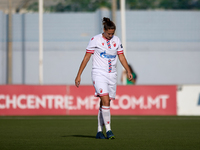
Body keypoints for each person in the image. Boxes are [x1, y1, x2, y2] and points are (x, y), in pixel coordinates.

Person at [75, 17, 133, 139]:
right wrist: (79, 74)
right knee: (106, 101)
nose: (110, 36)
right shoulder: (95, 40)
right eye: (108, 33)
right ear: (104, 30)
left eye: (112, 33)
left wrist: (128, 70)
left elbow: (121, 57)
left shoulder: (116, 40)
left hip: (112, 75)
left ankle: (99, 131)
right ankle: (109, 130)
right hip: (99, 73)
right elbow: (86, 57)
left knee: (104, 103)